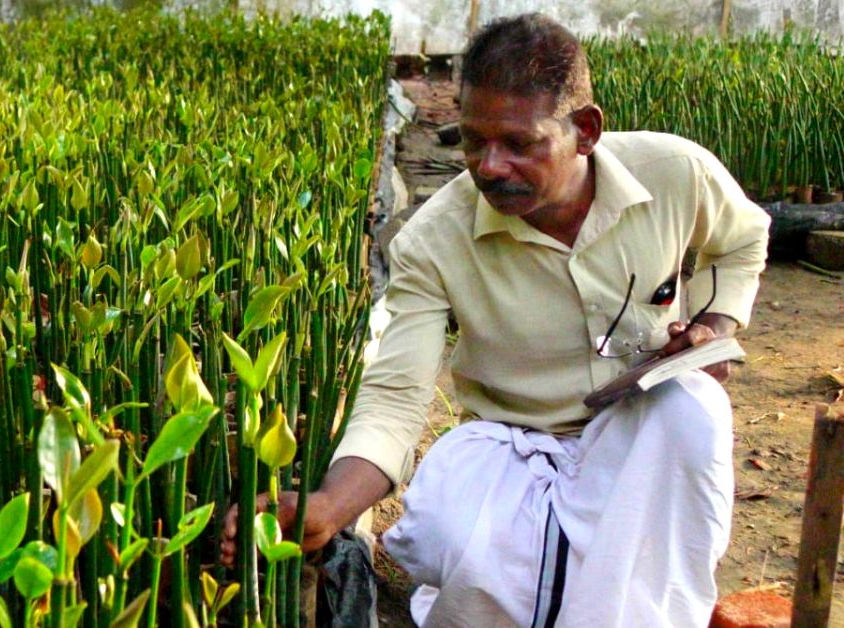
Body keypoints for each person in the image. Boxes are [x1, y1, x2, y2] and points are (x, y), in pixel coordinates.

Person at [221, 12, 772, 627]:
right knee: (472, 551)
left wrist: (717, 323)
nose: (488, 167)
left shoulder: (675, 173)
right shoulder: (433, 240)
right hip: (514, 443)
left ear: (585, 131)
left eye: (519, 144)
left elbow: (744, 239)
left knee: (692, 408)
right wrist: (329, 505)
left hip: (636, 429)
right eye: (474, 141)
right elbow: (396, 400)